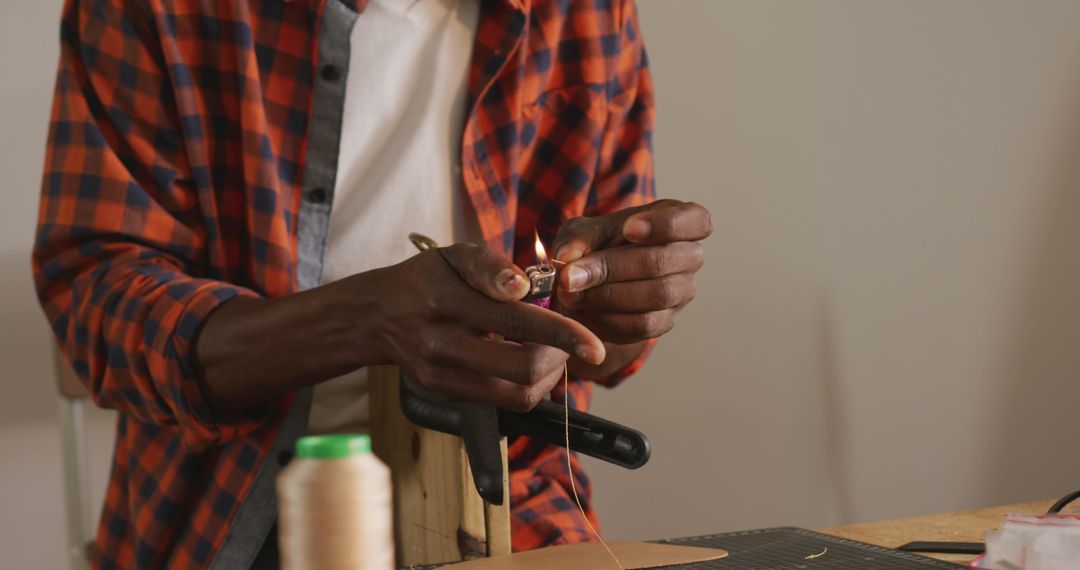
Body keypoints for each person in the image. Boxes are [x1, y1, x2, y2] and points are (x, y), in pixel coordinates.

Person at [33, 0, 712, 567]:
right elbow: (95, 300)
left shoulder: (585, 13)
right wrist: (363, 322)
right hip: (225, 515)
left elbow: (609, 353)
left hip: (509, 505)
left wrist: (631, 300)